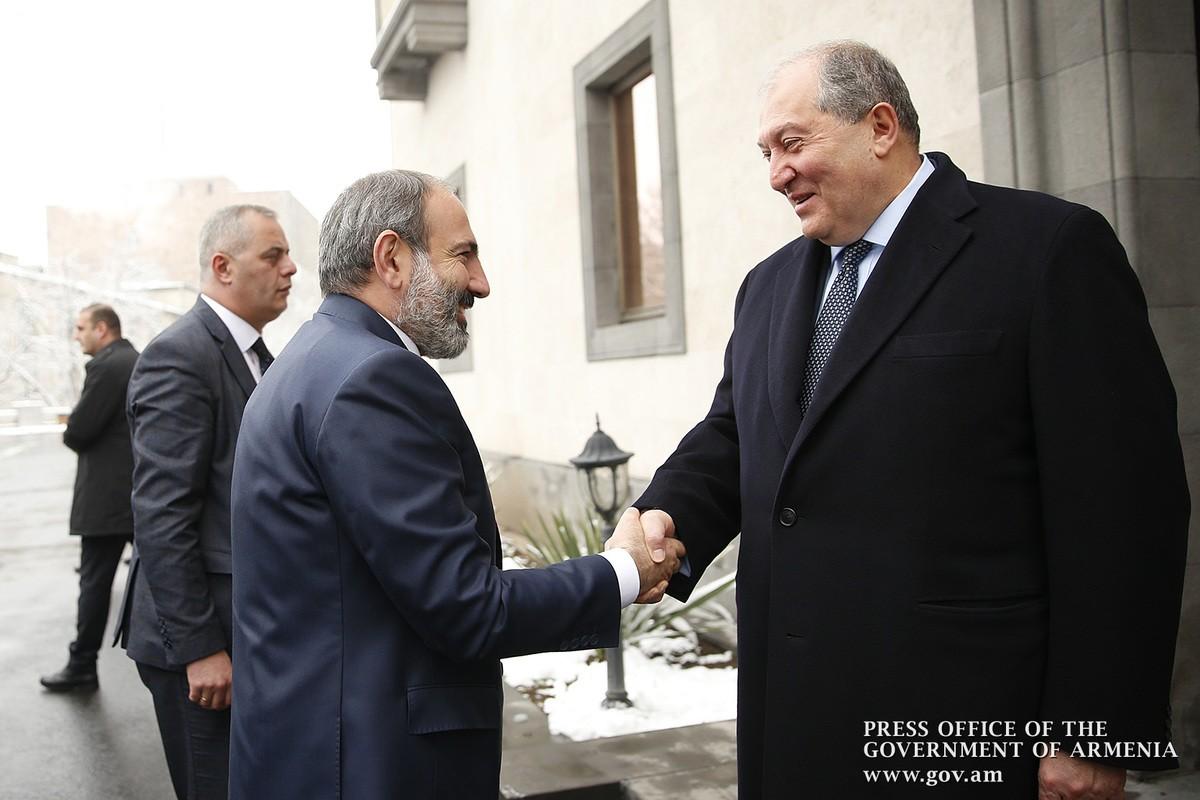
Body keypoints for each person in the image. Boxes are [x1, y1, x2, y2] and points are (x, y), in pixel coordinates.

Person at [635, 41, 1189, 799]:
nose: (776, 174)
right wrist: (665, 514)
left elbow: (1123, 508)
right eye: (766, 153)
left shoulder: (1047, 249)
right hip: (795, 719)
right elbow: (734, 435)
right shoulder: (766, 286)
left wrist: (1095, 731)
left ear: (881, 127)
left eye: (792, 143)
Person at [227, 170, 684, 799]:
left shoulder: (314, 358)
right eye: (462, 255)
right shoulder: (372, 378)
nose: (480, 282)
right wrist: (623, 572)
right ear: (391, 259)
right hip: (370, 766)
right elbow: (466, 607)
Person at [114, 204, 296, 800]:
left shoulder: (257, 356)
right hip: (202, 649)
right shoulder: (181, 355)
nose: (291, 268)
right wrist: (201, 650)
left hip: (247, 633)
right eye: (273, 255)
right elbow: (161, 517)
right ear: (223, 266)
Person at [39, 304, 138, 692]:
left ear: (102, 329)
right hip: (135, 493)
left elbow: (79, 430)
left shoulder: (108, 366)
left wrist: (70, 428)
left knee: (95, 584)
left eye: (81, 328)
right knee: (161, 577)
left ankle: (82, 664)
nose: (76, 335)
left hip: (108, 500)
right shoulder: (135, 359)